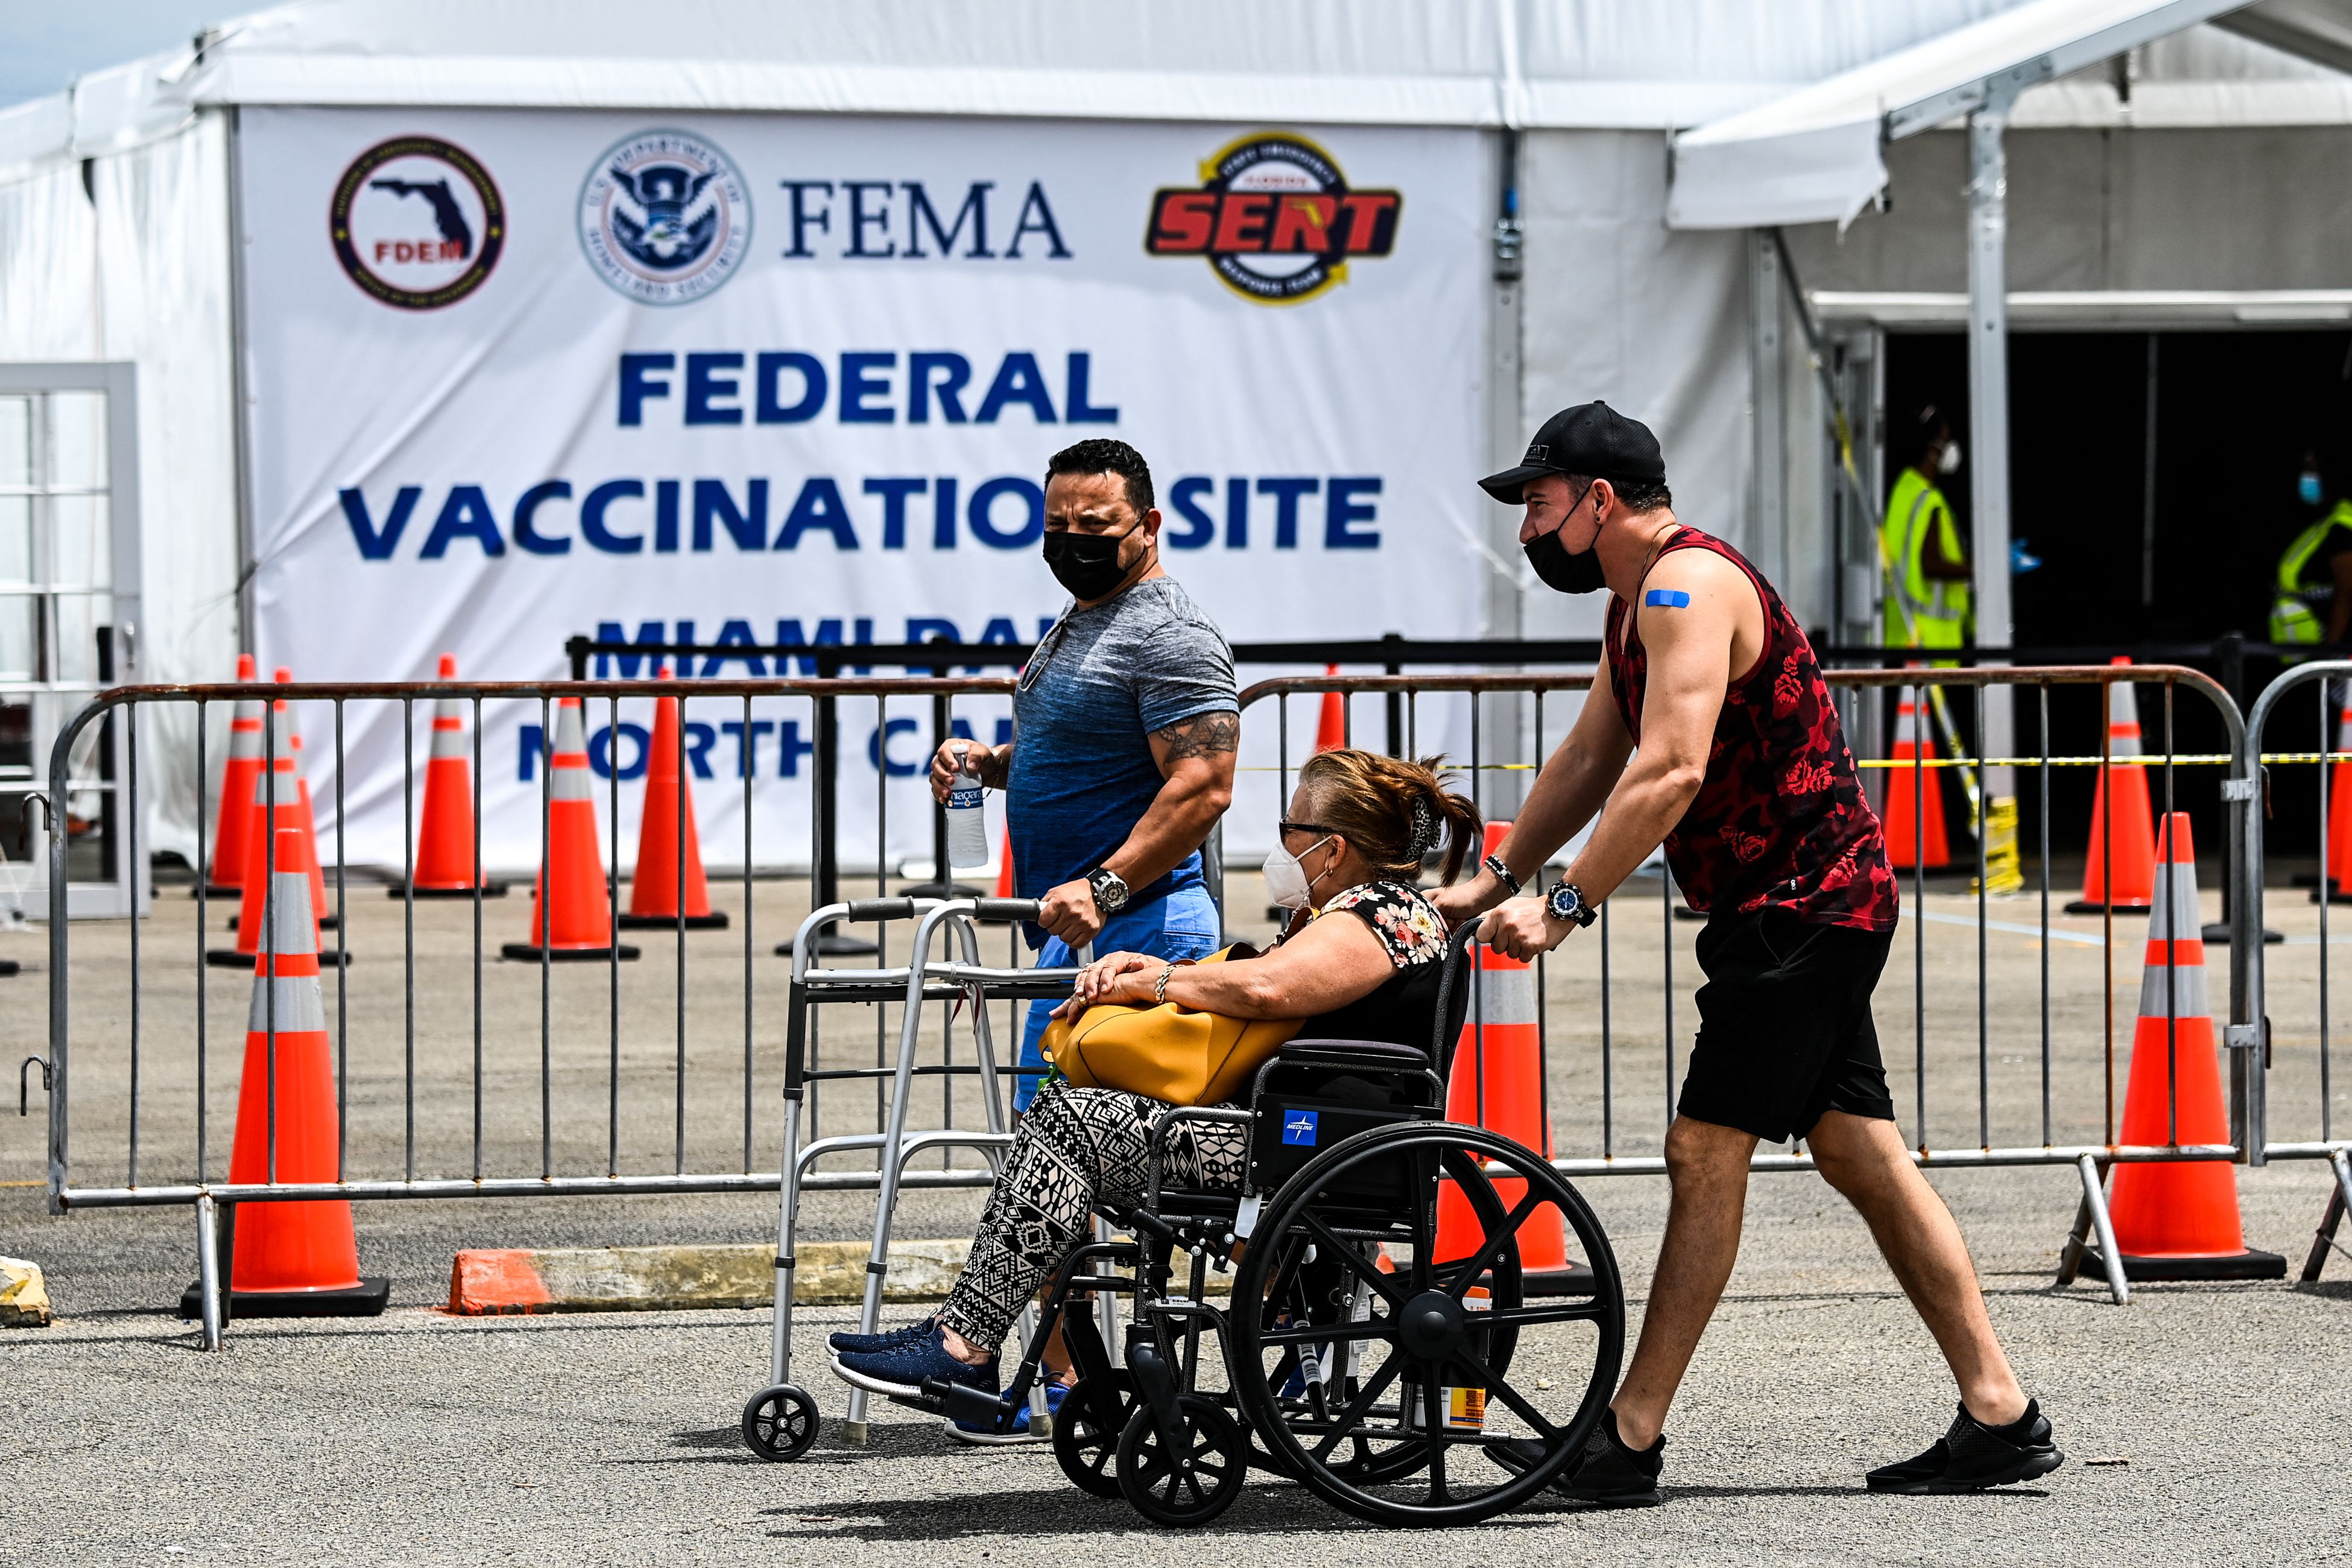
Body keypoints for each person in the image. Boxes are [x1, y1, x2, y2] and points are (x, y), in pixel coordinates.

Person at [1432, 401, 2061, 1506]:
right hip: (1785, 908)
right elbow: (1593, 752)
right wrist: (1494, 874)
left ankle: (1627, 1439)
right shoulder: (1637, 605)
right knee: (1859, 1152)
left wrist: (1566, 906)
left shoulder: (1685, 586)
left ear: (1600, 500)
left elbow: (1670, 770)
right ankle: (2000, 1412)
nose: (1528, 528)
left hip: (1805, 907)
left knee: (1701, 1150)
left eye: (1538, 502)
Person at [830, 750, 1480, 1420]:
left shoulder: (1379, 915)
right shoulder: (1349, 913)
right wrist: (1160, 968)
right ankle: (972, 1334)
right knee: (1067, 1112)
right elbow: (1255, 982)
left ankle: (964, 1341)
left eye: (1291, 824)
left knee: (1072, 1123)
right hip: (1286, 1136)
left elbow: (1266, 987)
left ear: (1332, 846)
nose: (1281, 839)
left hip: (1306, 1150)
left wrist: (1156, 980)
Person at [929, 437, 1237, 1119]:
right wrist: (991, 763)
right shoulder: (1089, 614)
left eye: (1094, 527)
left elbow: (1205, 784)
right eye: (1056, 528)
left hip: (1139, 932)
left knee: (1093, 1158)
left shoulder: (1171, 633)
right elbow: (1085, 750)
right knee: (1057, 1151)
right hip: (1080, 930)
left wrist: (1105, 885)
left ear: (1148, 526)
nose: (1073, 544)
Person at [1882, 405, 1971, 657]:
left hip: (1902, 631)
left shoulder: (1904, 488)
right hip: (1929, 640)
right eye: (1946, 439)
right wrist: (1981, 570)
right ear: (1932, 448)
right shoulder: (1928, 500)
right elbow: (1930, 564)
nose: (1951, 445)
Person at [2269, 449, 2352, 649]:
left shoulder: (2343, 527)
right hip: (2304, 651)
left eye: (2313, 470)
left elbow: (2347, 595)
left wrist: (2329, 655)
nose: (2308, 479)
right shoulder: (2324, 521)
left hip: (2334, 660)